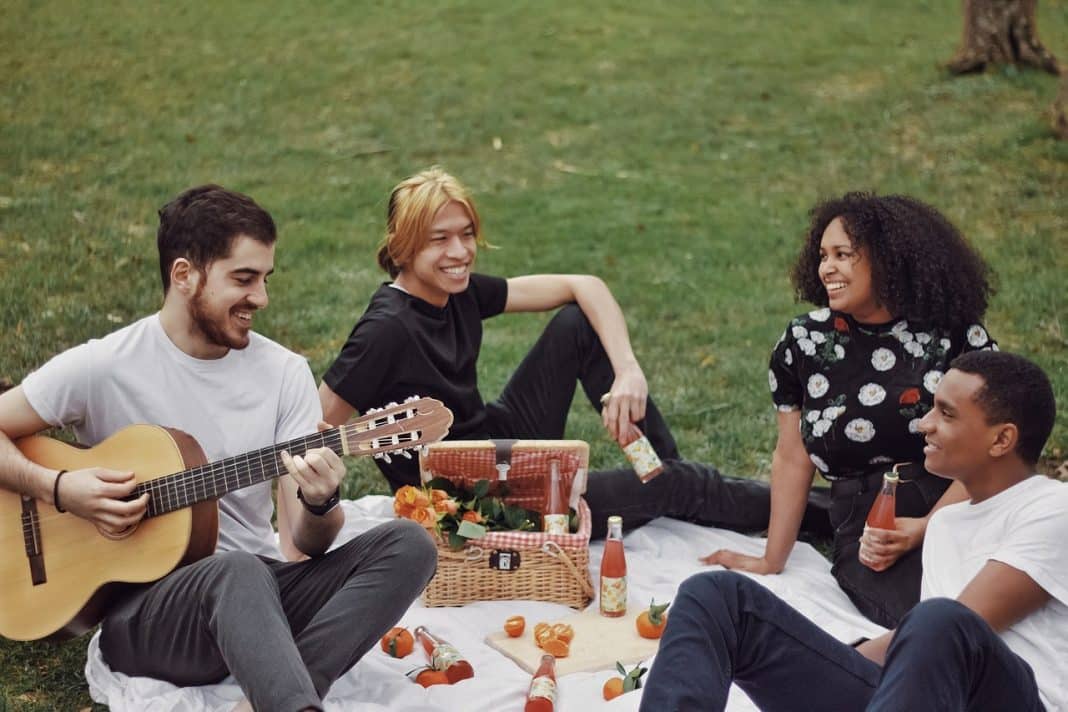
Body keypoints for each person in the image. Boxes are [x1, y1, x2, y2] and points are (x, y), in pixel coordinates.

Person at [0, 185, 437, 712]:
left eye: (266, 279)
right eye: (244, 279)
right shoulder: (104, 366)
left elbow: (306, 543)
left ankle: (283, 693)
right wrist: (58, 487)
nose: (262, 298)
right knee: (237, 569)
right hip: (148, 616)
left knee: (410, 544)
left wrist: (321, 502)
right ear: (184, 275)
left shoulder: (283, 373)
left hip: (261, 598)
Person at [319, 166, 828, 539]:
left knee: (577, 324)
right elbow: (312, 428)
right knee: (677, 485)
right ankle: (823, 513)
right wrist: (307, 533)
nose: (460, 252)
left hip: (497, 441)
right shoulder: (386, 329)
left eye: (467, 234)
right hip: (478, 504)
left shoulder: (456, 291)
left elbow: (584, 286)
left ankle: (661, 474)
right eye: (439, 239)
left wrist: (628, 373)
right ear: (403, 247)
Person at [641, 350, 1066, 712]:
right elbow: (919, 652)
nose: (924, 424)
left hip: (1010, 700)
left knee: (939, 620)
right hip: (922, 695)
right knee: (717, 595)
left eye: (946, 414)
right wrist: (827, 662)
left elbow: (960, 628)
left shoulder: (1053, 509)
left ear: (1002, 440)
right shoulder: (946, 523)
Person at [703, 193, 997, 627]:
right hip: (868, 517)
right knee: (926, 622)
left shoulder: (954, 334)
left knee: (1010, 602)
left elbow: (991, 446)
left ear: (887, 259)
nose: (827, 268)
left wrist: (926, 525)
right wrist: (771, 559)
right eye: (823, 256)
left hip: (961, 499)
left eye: (843, 254)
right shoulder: (805, 341)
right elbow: (792, 456)